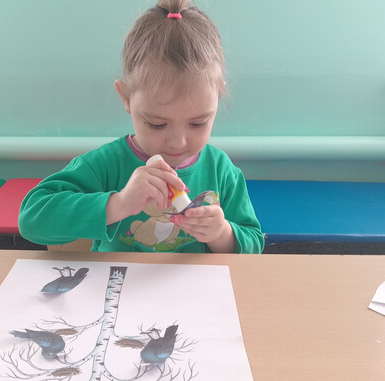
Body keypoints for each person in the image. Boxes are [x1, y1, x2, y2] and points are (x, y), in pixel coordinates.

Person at [19, 0, 264, 254]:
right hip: (118, 280)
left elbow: (254, 246)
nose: (177, 142)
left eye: (197, 123)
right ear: (125, 97)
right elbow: (31, 218)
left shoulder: (221, 171)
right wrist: (119, 204)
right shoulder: (106, 165)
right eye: (157, 124)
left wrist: (221, 233)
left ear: (218, 98)